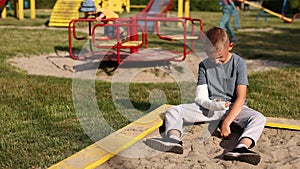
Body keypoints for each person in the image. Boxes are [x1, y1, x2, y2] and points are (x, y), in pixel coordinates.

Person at [144, 27, 266, 165]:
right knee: (173, 111)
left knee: (258, 118)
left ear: (230, 46)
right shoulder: (204, 65)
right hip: (210, 107)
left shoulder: (238, 63)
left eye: (220, 57)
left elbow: (241, 97)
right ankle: (173, 140)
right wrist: (215, 105)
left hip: (233, 108)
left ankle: (242, 147)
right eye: (211, 57)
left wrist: (226, 123)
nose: (216, 62)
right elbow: (201, 98)